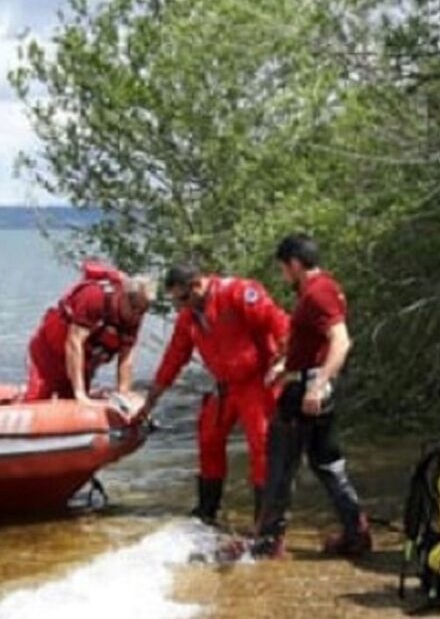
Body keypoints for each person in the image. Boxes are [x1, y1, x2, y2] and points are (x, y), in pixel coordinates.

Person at [139, 264, 289, 524]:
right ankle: (207, 511)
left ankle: (266, 521)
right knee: (208, 436)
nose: (180, 306)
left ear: (198, 285)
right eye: (175, 301)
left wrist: (284, 363)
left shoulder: (239, 293)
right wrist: (151, 399)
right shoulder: (190, 316)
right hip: (226, 383)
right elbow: (174, 358)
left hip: (257, 380)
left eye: (183, 299)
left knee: (262, 446)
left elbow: (281, 325)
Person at [253, 233, 371, 558]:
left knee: (280, 465)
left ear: (294, 264)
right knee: (327, 463)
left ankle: (267, 542)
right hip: (312, 385)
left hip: (305, 393)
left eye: (282, 269)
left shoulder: (318, 294)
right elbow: (315, 343)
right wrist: (283, 366)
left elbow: (341, 341)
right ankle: (356, 533)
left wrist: (315, 384)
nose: (282, 275)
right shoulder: (326, 287)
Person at [24, 261, 155, 404]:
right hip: (49, 353)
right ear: (123, 295)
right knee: (38, 398)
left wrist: (124, 392)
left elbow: (126, 358)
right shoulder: (94, 298)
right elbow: (74, 343)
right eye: (134, 307)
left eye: (143, 310)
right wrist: (79, 392)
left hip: (83, 364)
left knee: (74, 405)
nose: (137, 315)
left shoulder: (133, 320)